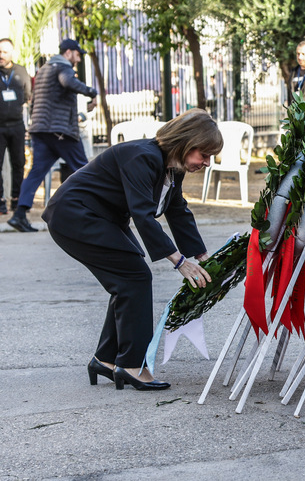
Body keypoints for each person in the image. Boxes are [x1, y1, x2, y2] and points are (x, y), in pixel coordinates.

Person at [42, 108, 222, 391]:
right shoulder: (144, 156)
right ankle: (131, 364)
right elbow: (142, 214)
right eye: (204, 154)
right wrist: (179, 262)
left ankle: (106, 359)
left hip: (100, 218)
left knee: (129, 279)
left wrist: (202, 256)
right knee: (135, 277)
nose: (208, 162)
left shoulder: (171, 167)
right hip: (74, 215)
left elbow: (177, 210)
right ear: (186, 142)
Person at [8, 39, 98, 232]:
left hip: (40, 129)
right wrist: (92, 92)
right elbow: (68, 82)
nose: (79, 59)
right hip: (60, 130)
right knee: (84, 169)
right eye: (78, 54)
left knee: (36, 172)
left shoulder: (44, 69)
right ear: (69, 52)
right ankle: (95, 213)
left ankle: (19, 215)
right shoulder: (63, 67)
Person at [0, 38, 32, 216]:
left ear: (12, 53)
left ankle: (16, 200)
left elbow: (28, 95)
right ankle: (0, 203)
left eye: (5, 52)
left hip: (17, 125)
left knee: (18, 163)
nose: (1, 55)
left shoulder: (20, 71)